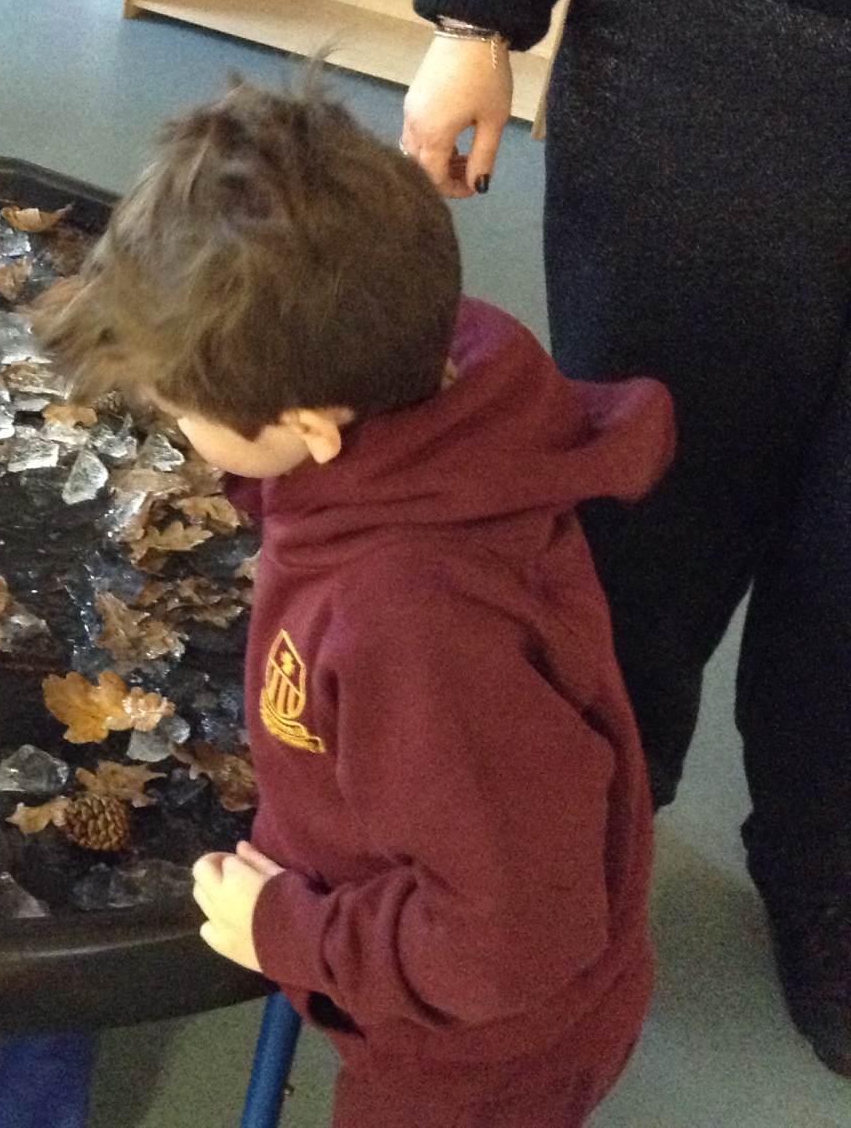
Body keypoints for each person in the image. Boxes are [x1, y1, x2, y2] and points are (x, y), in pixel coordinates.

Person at [37, 77, 674, 1127]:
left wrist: (288, 933)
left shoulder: (416, 630)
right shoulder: (430, 367)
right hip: (442, 930)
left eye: (181, 411)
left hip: (472, 1054)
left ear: (313, 426)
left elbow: (507, 943)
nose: (173, 429)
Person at [400, 0, 851, 1076]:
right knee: (650, 511)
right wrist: (482, 6)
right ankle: (576, 845)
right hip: (729, 51)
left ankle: (824, 869)